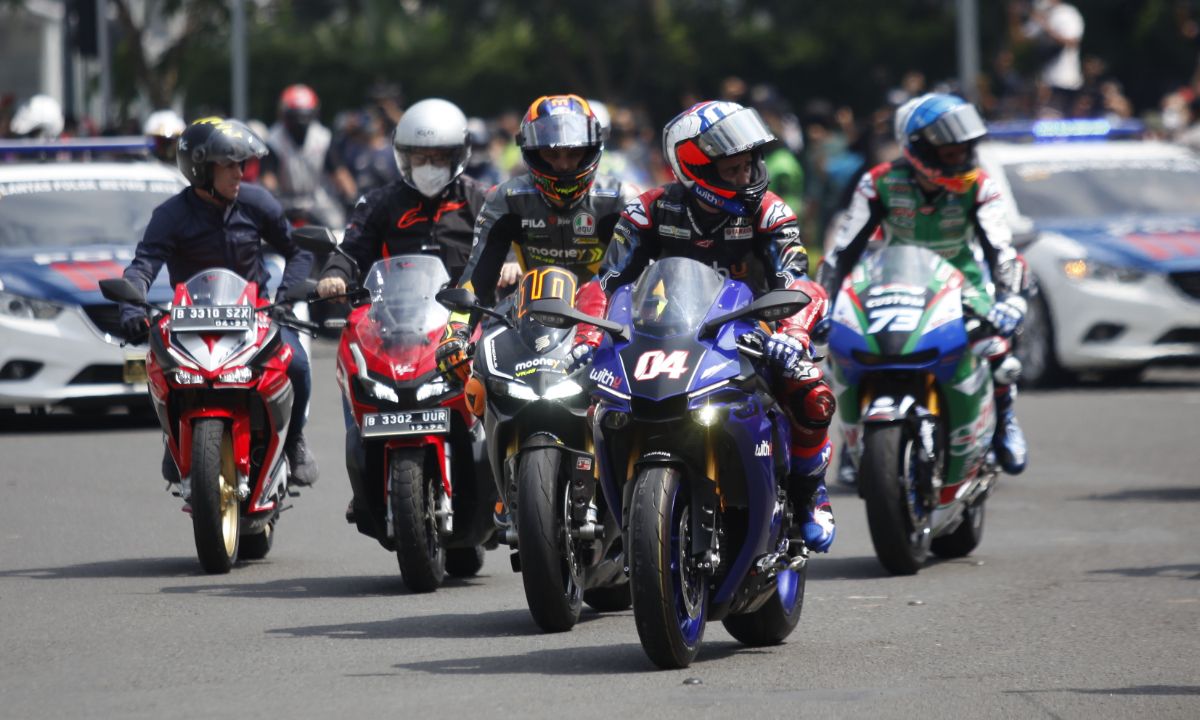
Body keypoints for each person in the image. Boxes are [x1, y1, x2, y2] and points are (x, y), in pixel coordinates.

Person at [576, 100, 837, 554]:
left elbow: (798, 280)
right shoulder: (647, 211)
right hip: (666, 334)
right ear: (696, 169)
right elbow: (608, 282)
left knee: (811, 390)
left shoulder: (771, 214)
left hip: (754, 332)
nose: (745, 177)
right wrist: (587, 337)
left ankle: (809, 490)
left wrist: (793, 333)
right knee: (585, 393)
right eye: (732, 169)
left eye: (749, 165)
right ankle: (598, 503)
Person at [820, 93, 1028, 478]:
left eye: (965, 150)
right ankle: (854, 442)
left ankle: (1004, 421)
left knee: (996, 346)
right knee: (846, 351)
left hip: (963, 287)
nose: (962, 159)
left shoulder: (980, 187)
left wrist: (1010, 297)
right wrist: (825, 302)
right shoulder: (878, 182)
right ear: (919, 149)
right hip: (893, 280)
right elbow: (842, 252)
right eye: (950, 153)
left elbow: (1001, 250)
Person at [118, 117, 318, 489]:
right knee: (158, 370)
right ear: (200, 169)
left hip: (256, 316)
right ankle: (176, 436)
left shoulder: (258, 202)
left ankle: (294, 441)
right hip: (190, 320)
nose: (239, 173)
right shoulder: (170, 215)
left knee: (300, 366)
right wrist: (131, 309)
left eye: (241, 164)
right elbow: (142, 267)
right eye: (228, 164)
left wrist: (287, 295)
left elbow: (298, 252)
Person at [434, 94, 634, 386]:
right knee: (475, 387)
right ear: (532, 152)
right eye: (552, 154)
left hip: (607, 320)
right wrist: (455, 331)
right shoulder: (506, 198)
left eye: (573, 152)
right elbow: (477, 275)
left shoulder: (621, 199)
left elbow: (644, 277)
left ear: (592, 149)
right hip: (533, 320)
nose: (563, 165)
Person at [316, 98, 487, 297]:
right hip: (396, 316)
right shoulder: (378, 203)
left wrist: (511, 263)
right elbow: (353, 249)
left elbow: (506, 241)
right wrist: (336, 272)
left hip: (471, 316)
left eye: (439, 158)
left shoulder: (481, 199)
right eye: (420, 157)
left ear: (456, 157)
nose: (429, 166)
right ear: (405, 157)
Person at [259, 84, 356, 228]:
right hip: (284, 201)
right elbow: (268, 178)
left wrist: (352, 198)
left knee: (337, 228)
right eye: (295, 116)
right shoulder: (274, 140)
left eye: (304, 116)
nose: (299, 122)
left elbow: (340, 173)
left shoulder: (323, 138)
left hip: (318, 201)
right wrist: (271, 196)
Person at [1009, 0, 1085, 116]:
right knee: (1046, 121)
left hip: (1065, 82)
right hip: (1045, 84)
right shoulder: (1043, 14)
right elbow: (1019, 40)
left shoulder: (1068, 13)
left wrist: (1045, 25)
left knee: (1062, 124)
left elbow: (1072, 42)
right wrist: (1014, 16)